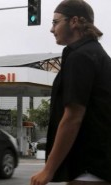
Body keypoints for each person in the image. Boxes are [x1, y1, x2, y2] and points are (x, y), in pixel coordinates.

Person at [30, 0, 111, 185]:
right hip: (96, 164)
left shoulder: (80, 57)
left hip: (88, 167)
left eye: (55, 22)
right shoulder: (97, 54)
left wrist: (48, 170)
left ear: (74, 21)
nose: (51, 29)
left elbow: (73, 116)